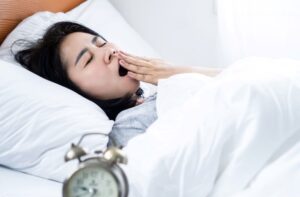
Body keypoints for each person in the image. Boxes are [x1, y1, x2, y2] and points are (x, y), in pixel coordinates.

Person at [14, 21, 221, 147]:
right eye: (88, 60)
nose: (109, 52)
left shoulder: (160, 90)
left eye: (102, 43)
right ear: (74, 92)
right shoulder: (128, 128)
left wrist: (175, 73)